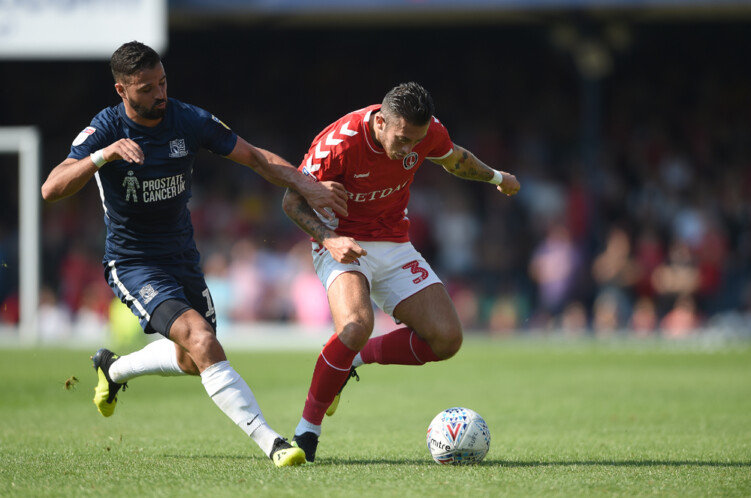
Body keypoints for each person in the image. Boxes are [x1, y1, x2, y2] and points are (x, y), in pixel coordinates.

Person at [40, 41, 348, 467]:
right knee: (202, 341)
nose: (160, 94)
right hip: (133, 262)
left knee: (192, 358)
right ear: (121, 90)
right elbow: (51, 189)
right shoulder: (105, 129)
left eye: (163, 82)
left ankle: (113, 370)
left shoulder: (188, 119)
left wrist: (306, 186)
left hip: (182, 257)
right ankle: (274, 444)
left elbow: (256, 158)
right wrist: (103, 155)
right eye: (147, 88)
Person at [281, 82, 521, 462]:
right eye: (403, 140)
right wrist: (329, 239)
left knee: (447, 339)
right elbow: (291, 202)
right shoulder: (337, 144)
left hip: (394, 242)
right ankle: (305, 433)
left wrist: (496, 177)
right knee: (356, 325)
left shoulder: (426, 132)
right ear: (380, 122)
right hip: (341, 240)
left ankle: (352, 360)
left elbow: (455, 159)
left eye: (417, 142)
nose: (410, 150)